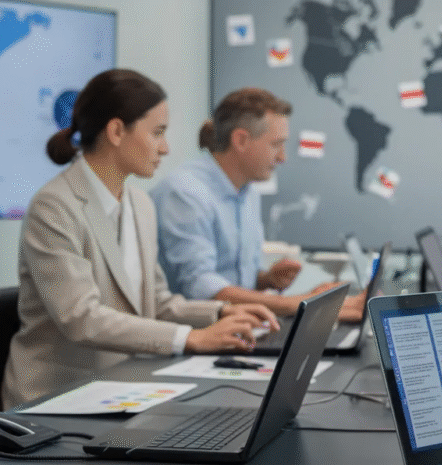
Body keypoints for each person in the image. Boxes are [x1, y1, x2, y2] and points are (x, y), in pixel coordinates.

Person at [2, 70, 279, 410]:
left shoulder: (141, 205)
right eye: (157, 133)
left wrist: (221, 311)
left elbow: (156, 302)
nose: (165, 147)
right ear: (117, 131)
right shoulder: (55, 207)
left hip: (122, 389)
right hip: (54, 401)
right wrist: (190, 338)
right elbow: (81, 318)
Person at [149, 87, 363, 318]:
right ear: (241, 140)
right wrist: (297, 304)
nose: (282, 157)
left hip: (240, 327)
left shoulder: (248, 191)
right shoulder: (185, 193)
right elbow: (200, 287)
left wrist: (265, 279)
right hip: (194, 335)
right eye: (276, 145)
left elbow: (228, 278)